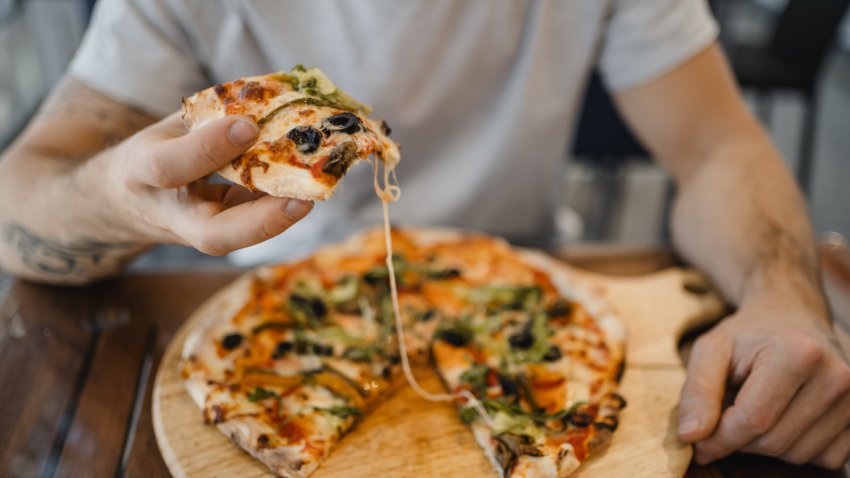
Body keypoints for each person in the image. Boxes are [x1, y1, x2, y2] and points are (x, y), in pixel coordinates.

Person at [0, 0, 848, 469]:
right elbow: (19, 208)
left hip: (516, 289)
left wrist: (785, 293)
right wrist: (114, 197)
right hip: (269, 304)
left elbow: (717, 146)